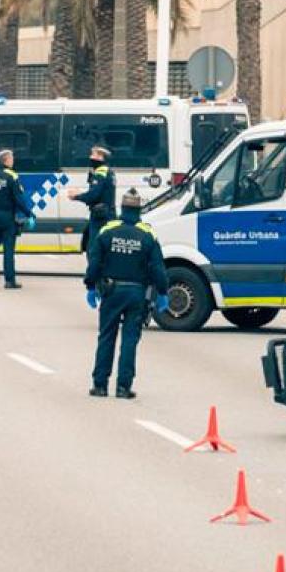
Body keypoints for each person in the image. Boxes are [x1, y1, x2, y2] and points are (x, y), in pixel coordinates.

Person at [84, 189, 168, 399]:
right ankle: (123, 387)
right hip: (137, 293)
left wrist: (90, 286)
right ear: (139, 210)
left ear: (122, 209)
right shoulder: (148, 234)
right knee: (130, 340)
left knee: (106, 337)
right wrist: (163, 292)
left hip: (111, 292)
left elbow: (94, 261)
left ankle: (100, 385)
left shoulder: (107, 230)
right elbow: (158, 267)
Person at [0, 148, 32, 289]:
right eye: (11, 158)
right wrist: (29, 214)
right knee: (8, 250)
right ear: (6, 160)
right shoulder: (11, 176)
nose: (13, 160)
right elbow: (18, 199)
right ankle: (10, 281)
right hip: (8, 218)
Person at [68, 144, 116, 254]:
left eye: (93, 154)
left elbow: (93, 195)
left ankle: (95, 271)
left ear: (100, 157)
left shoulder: (100, 173)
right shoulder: (108, 171)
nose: (90, 157)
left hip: (101, 217)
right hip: (106, 214)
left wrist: (76, 196)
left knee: (94, 249)